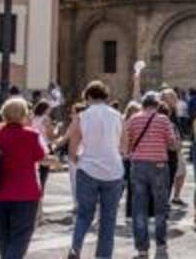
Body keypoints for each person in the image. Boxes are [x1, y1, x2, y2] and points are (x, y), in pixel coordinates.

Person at [0, 97, 46, 259]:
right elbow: (40, 156)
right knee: (20, 237)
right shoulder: (31, 135)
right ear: (24, 115)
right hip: (26, 194)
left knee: (3, 237)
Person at [66, 80, 126, 259]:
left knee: (84, 214)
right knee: (108, 219)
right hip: (113, 170)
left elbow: (72, 148)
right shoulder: (118, 115)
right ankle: (103, 256)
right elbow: (124, 146)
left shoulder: (82, 116)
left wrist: (78, 161)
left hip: (88, 168)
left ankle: (76, 247)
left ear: (88, 97)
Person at [123, 91, 180, 259]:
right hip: (159, 166)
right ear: (157, 105)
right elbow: (172, 145)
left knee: (139, 208)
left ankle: (142, 249)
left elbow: (127, 145)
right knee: (160, 208)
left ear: (142, 104)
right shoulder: (163, 120)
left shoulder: (133, 119)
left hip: (138, 166)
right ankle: (161, 246)